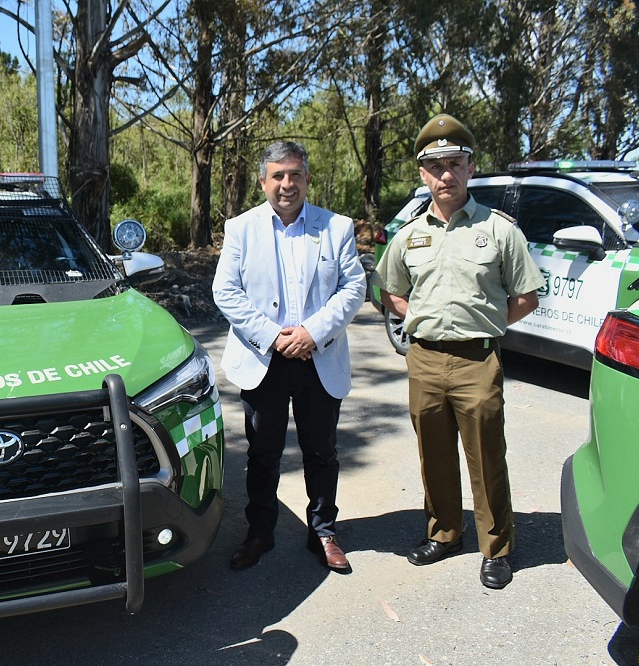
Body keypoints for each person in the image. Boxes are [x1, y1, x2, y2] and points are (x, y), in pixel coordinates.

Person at [372, 114, 545, 589]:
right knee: (434, 454)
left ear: (471, 167)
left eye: (455, 163)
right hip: (424, 360)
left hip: (477, 360)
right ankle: (444, 532)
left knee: (487, 456)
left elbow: (526, 296)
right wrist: (419, 319)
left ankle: (497, 548)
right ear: (423, 174)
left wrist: (484, 324)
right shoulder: (408, 234)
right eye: (435, 166)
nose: (445, 174)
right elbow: (389, 290)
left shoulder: (500, 230)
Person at [213, 140, 366, 572]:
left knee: (322, 451)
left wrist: (312, 333)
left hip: (319, 355)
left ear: (307, 178)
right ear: (263, 181)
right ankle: (260, 532)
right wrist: (274, 337)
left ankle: (323, 531)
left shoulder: (336, 227)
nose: (287, 184)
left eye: (295, 174)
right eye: (278, 175)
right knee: (264, 453)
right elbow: (225, 291)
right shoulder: (241, 228)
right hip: (266, 359)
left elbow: (353, 289)